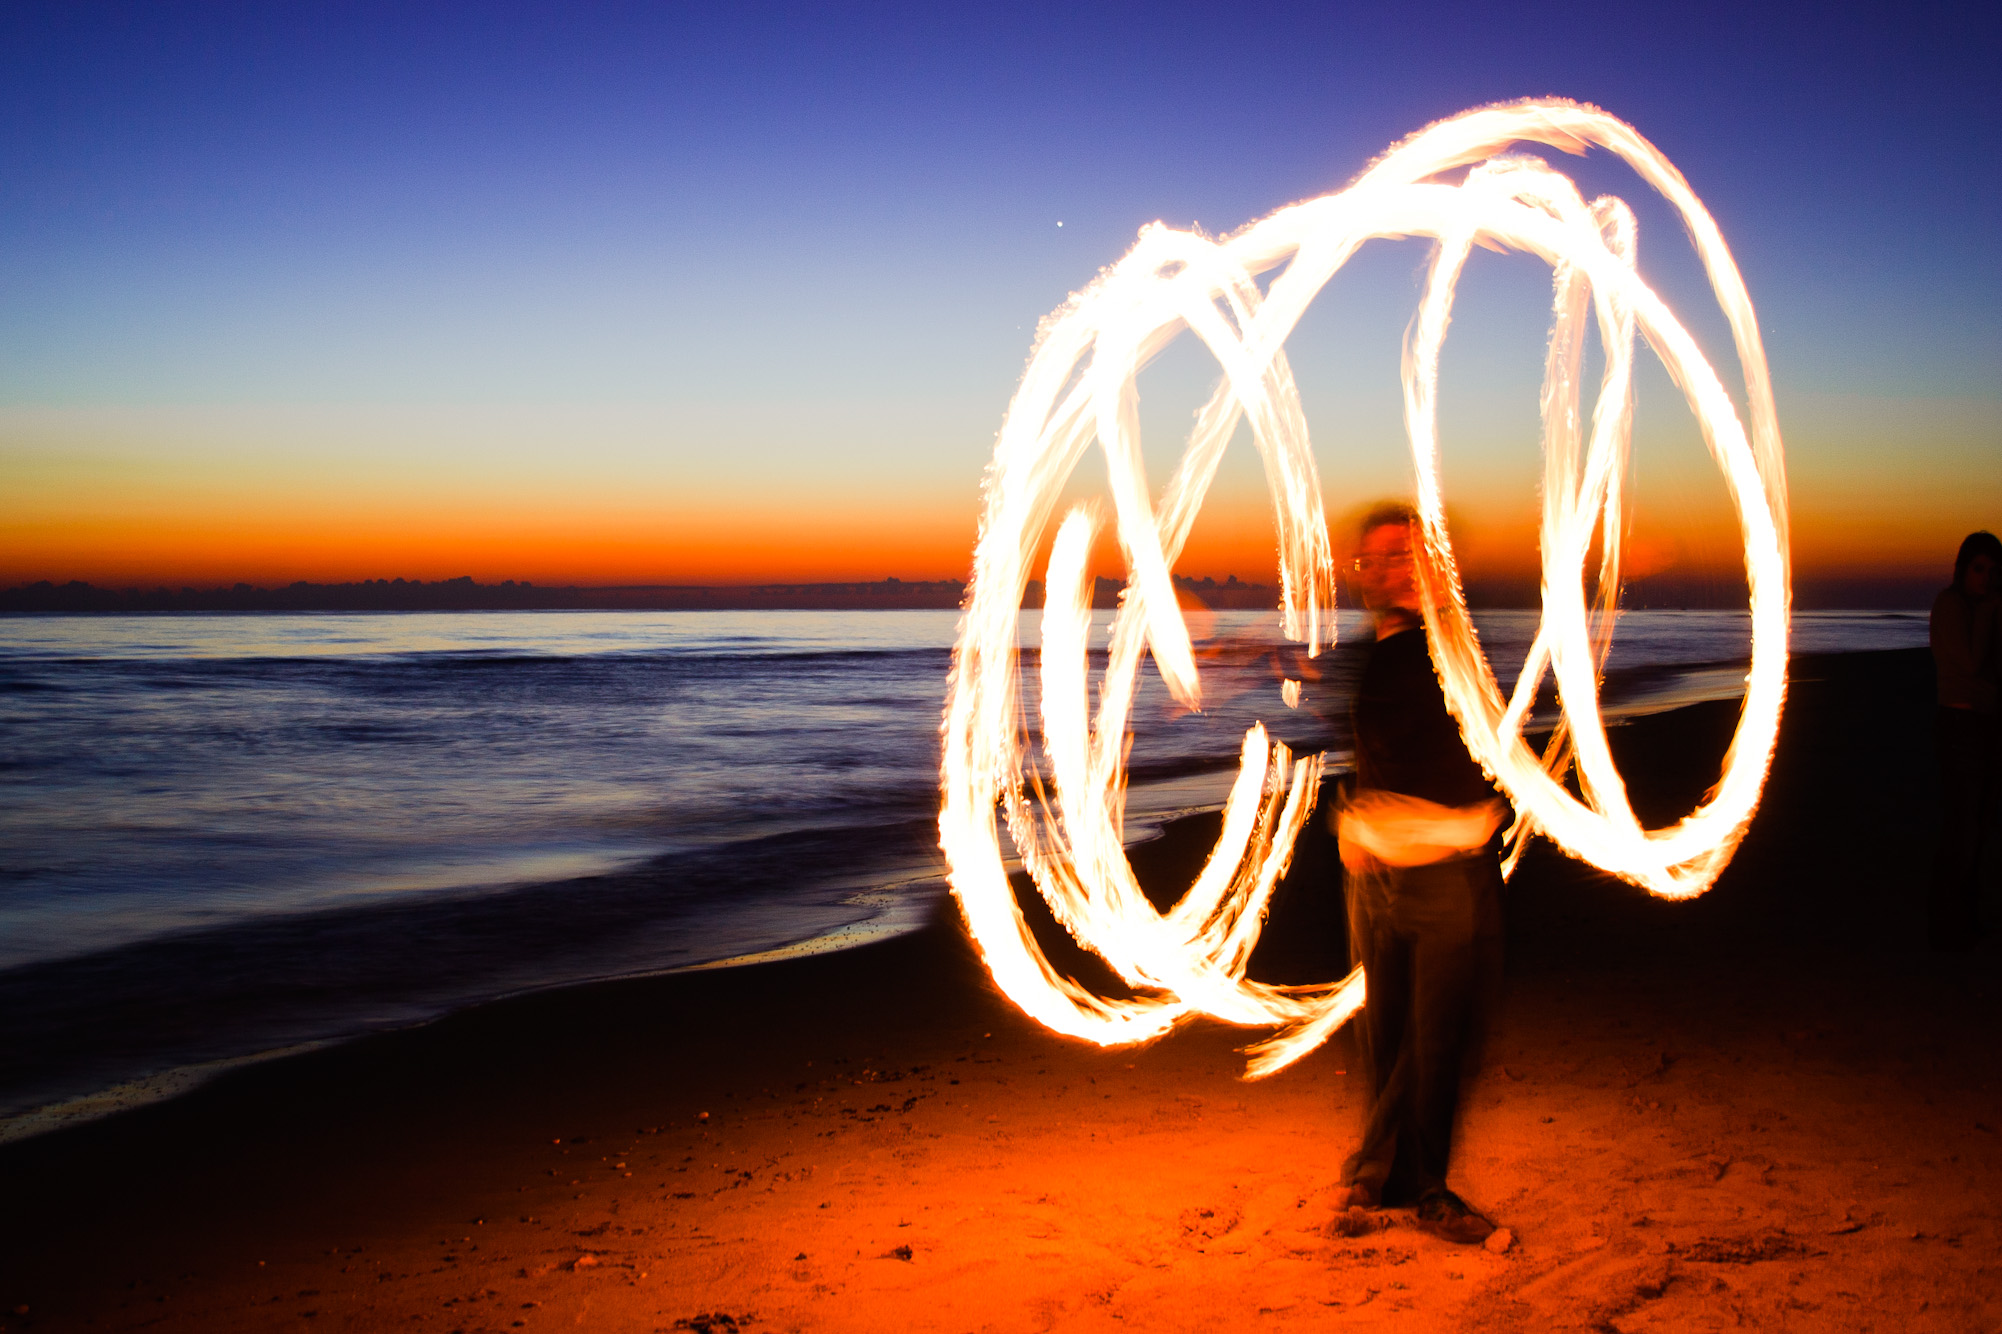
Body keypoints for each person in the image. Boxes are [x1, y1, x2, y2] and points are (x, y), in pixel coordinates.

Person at [1331, 502, 1507, 1245]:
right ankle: (1377, 1177)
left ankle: (1424, 1189)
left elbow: (1489, 755)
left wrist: (1468, 822)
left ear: (1433, 568)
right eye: (1375, 560)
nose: (1390, 572)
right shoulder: (1371, 658)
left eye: (1405, 557)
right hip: (1375, 881)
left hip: (1443, 879)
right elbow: (1384, 754)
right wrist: (1355, 819)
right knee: (1387, 1038)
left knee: (1435, 1043)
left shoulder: (1449, 653)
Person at [1929, 530, 2001, 950]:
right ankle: (1946, 921)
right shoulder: (1951, 606)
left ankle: (1966, 915)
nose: (1986, 578)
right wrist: (1990, 611)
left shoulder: (1985, 608)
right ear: (1963, 570)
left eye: (1993, 571)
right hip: (1959, 727)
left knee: (1981, 824)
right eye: (1979, 569)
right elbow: (1971, 664)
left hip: (1987, 725)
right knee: (1963, 828)